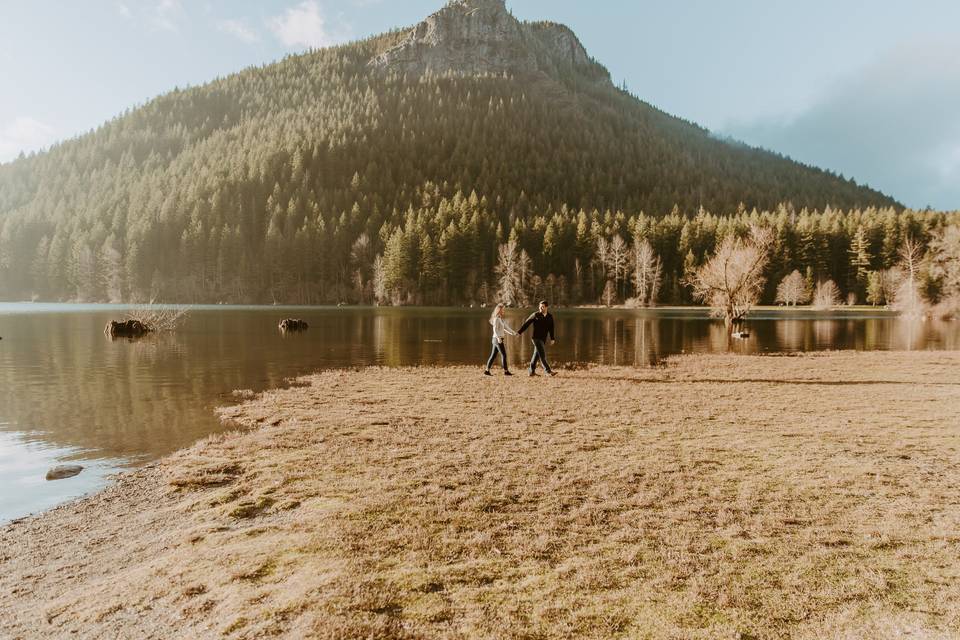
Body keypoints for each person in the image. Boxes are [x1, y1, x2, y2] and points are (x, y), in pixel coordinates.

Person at [518, 300, 556, 376]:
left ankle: (531, 372)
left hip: (543, 339)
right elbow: (527, 323)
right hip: (535, 338)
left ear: (546, 307)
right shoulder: (535, 315)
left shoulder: (550, 317)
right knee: (542, 355)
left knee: (536, 355)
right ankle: (548, 371)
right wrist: (519, 332)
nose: (541, 308)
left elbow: (551, 328)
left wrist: (552, 338)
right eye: (540, 307)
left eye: (543, 307)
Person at [484, 303, 517, 376]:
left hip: (497, 339)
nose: (503, 311)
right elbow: (495, 330)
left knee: (493, 356)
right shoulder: (496, 319)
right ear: (499, 310)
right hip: (497, 339)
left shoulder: (500, 319)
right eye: (503, 309)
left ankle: (487, 371)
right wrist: (499, 338)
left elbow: (505, 328)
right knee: (504, 355)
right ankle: (506, 371)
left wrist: (513, 333)